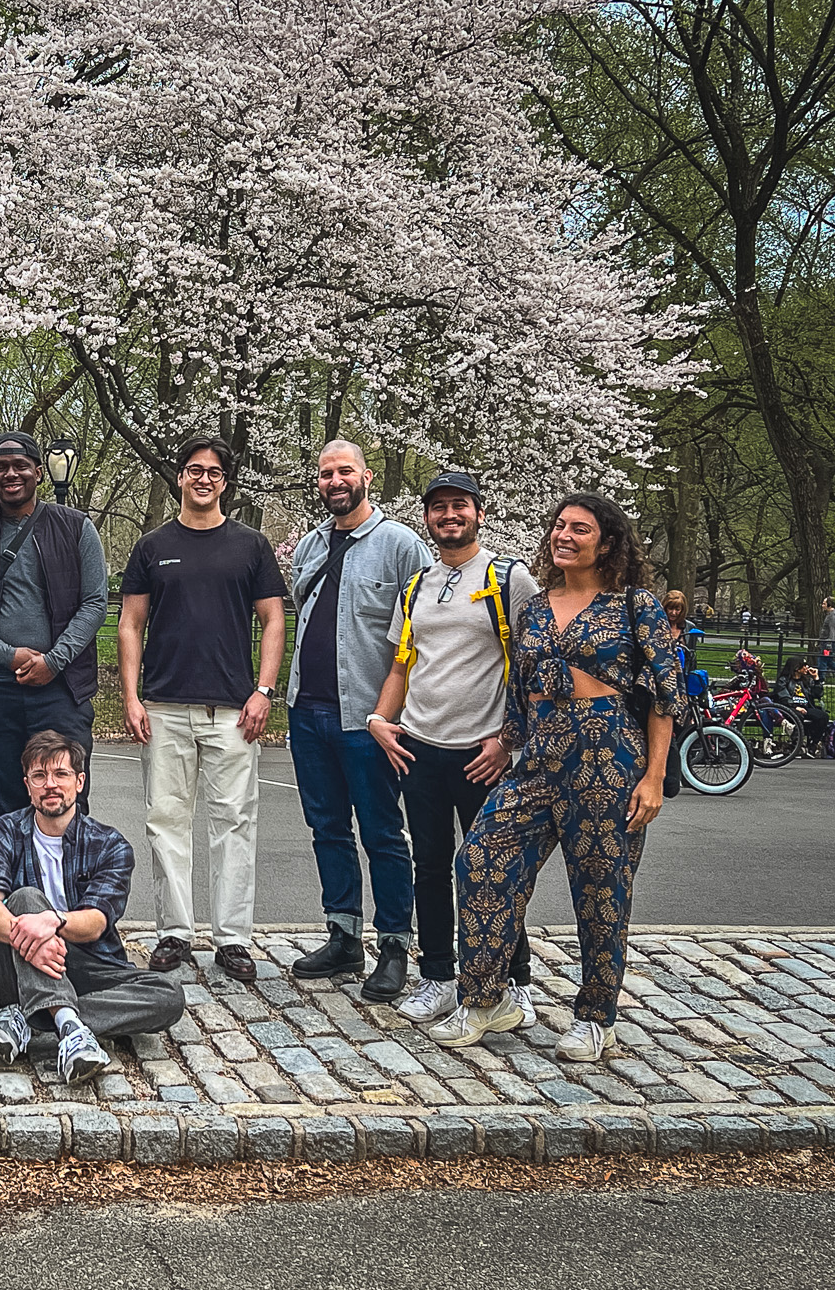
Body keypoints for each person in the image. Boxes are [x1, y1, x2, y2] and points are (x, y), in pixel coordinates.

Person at [430, 493, 684, 1062]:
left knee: (600, 893)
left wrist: (653, 777)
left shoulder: (633, 605)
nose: (563, 535)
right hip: (539, 759)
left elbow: (665, 695)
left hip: (607, 760)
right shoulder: (536, 608)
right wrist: (505, 743)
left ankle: (596, 1018)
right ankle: (485, 999)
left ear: (608, 543)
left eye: (580, 528)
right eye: (559, 526)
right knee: (481, 859)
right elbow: (520, 691)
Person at [367, 472, 540, 1026]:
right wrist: (379, 719)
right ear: (427, 518)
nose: (449, 515)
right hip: (420, 749)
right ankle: (439, 976)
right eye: (438, 507)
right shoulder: (417, 585)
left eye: (459, 505)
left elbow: (534, 668)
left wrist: (508, 739)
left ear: (478, 513)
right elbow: (402, 663)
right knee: (430, 867)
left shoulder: (510, 579)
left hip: (482, 755)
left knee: (494, 870)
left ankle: (514, 980)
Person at [116, 434, 287, 984]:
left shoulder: (251, 546)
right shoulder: (152, 546)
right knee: (165, 821)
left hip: (234, 710)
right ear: (181, 477)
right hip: (164, 706)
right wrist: (130, 695)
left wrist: (264, 690)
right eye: (194, 470)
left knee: (234, 823)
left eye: (214, 472)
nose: (203, 479)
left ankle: (233, 938)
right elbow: (130, 623)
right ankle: (175, 931)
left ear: (225, 482)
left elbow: (274, 620)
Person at [284, 441, 432, 998]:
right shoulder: (310, 545)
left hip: (370, 719)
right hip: (307, 710)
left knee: (382, 833)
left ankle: (393, 944)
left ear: (366, 477)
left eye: (345, 471)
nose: (335, 481)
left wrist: (399, 713)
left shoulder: (401, 546)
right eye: (326, 473)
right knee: (327, 829)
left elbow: (425, 631)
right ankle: (343, 934)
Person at [0, 731, 185, 1085]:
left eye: (61, 774)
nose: (50, 785)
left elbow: (96, 922)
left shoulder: (110, 845)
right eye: (39, 776)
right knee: (25, 899)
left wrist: (51, 922)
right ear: (27, 785)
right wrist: (30, 937)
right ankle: (70, 1029)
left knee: (169, 997)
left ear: (79, 782)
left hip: (89, 963)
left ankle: (30, 1018)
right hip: (16, 967)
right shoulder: (3, 832)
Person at [0, 432, 108, 820]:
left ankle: (66, 863)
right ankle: (11, 864)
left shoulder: (76, 528)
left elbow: (95, 604)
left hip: (61, 691)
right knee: (6, 808)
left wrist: (54, 660)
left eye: (20, 466)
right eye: (1, 467)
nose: (11, 474)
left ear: (38, 472)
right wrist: (8, 656)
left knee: (63, 805)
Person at [779, 657, 829, 758]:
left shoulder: (807, 681)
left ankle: (814, 744)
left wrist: (816, 679)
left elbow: (818, 694)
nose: (807, 667)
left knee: (823, 716)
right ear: (797, 668)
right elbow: (783, 696)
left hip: (806, 707)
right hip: (790, 708)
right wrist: (795, 706)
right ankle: (798, 744)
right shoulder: (783, 680)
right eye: (804, 665)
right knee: (798, 716)